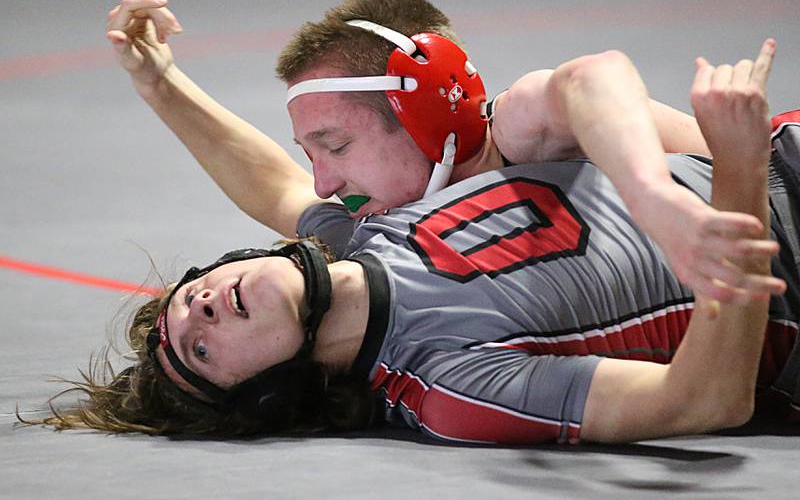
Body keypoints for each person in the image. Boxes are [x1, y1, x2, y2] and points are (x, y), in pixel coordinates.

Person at [34, 40, 800, 444]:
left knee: (541, 102)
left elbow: (272, 183)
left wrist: (161, 82)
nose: (198, 308)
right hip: (784, 271)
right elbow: (705, 399)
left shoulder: (369, 227)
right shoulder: (445, 386)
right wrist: (736, 169)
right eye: (198, 347)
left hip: (779, 156)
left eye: (187, 296)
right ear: (265, 397)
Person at [106, 0, 765, 303]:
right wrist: (160, 83)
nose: (322, 183)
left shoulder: (515, 134)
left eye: (333, 144)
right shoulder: (390, 230)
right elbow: (273, 188)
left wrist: (652, 197)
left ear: (427, 112)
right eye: (312, 152)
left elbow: (589, 78)